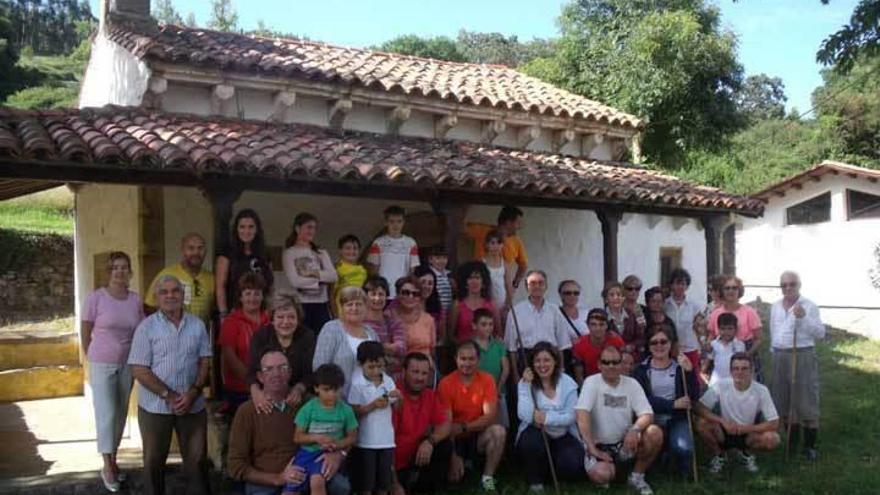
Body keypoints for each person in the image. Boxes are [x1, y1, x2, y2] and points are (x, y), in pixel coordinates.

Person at [128, 275, 212, 495]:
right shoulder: (145, 328)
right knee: (154, 464)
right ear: (156, 297)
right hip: (156, 407)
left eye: (175, 291)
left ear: (183, 295)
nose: (170, 296)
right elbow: (139, 369)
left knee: (197, 463)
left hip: (193, 406)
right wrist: (169, 395)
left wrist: (194, 392)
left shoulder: (197, 325)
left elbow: (205, 360)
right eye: (164, 292)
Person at [227, 350, 350, 495]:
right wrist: (277, 478)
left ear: (290, 373)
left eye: (282, 368)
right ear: (260, 377)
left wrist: (339, 454)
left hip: (309, 471)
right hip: (267, 479)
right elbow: (235, 466)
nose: (277, 373)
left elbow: (347, 431)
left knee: (341, 487)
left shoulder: (312, 403)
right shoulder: (247, 411)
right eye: (269, 369)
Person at [81, 251, 144, 492]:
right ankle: (107, 465)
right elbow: (86, 329)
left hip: (127, 363)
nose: (120, 271)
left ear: (130, 272)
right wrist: (90, 354)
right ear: (109, 272)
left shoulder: (135, 300)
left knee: (119, 414)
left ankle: (114, 459)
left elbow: (140, 330)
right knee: (106, 412)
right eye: (115, 267)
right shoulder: (96, 298)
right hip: (102, 362)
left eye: (124, 267)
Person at [576, 345, 662, 495]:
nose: (611, 366)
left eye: (615, 362)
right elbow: (581, 414)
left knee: (655, 432)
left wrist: (635, 429)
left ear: (621, 364)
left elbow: (647, 414)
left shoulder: (632, 384)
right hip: (600, 446)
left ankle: (636, 476)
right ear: (599, 364)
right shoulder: (591, 382)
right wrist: (591, 447)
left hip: (625, 444)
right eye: (606, 362)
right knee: (602, 475)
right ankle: (615, 473)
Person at [770, 271, 825, 461]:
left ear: (799, 285)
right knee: (785, 402)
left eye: (792, 284)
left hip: (802, 354)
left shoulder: (809, 305)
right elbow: (773, 331)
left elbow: (820, 333)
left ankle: (809, 447)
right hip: (780, 355)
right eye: (783, 285)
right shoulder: (776, 306)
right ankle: (792, 444)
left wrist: (803, 318)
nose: (787, 288)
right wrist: (774, 352)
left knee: (806, 401)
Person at [438, 341, 507, 493]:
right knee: (454, 480)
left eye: (471, 359)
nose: (467, 363)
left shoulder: (487, 380)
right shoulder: (445, 383)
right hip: (454, 438)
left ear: (478, 360)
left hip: (477, 434)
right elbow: (446, 423)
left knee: (498, 432)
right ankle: (460, 464)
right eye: (463, 359)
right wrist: (453, 457)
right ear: (456, 359)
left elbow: (489, 417)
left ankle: (487, 478)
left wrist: (464, 427)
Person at [696, 353, 781, 474]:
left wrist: (747, 428)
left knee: (773, 439)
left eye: (744, 368)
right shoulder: (722, 385)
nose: (739, 372)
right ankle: (719, 455)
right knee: (702, 424)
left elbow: (774, 423)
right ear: (730, 371)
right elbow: (699, 407)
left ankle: (746, 454)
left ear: (752, 371)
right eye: (736, 368)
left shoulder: (761, 390)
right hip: (724, 430)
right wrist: (722, 421)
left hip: (748, 432)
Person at [516, 342, 584, 492]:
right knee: (531, 444)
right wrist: (526, 385)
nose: (542, 365)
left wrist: (547, 418)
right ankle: (536, 478)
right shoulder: (526, 382)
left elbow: (571, 416)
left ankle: (550, 469)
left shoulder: (568, 383)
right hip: (536, 432)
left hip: (562, 434)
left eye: (546, 360)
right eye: (537, 361)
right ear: (532, 364)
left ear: (555, 361)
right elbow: (523, 414)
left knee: (572, 463)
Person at [284, 364, 358, 495]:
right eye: (327, 390)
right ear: (316, 388)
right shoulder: (308, 409)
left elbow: (352, 436)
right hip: (306, 453)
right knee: (290, 489)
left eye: (336, 390)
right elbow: (297, 437)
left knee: (317, 482)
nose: (332, 395)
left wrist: (337, 445)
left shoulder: (346, 410)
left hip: (326, 455)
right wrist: (316, 437)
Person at [633, 328, 698, 477]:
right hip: (651, 419)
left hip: (676, 418)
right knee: (649, 446)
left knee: (684, 448)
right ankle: (659, 458)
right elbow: (642, 399)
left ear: (670, 344)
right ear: (648, 346)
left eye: (663, 341)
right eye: (654, 342)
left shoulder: (679, 367)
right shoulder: (641, 370)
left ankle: (678, 467)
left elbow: (693, 395)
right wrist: (672, 404)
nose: (659, 346)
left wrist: (689, 372)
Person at [391, 352, 453, 495]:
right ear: (403, 372)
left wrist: (430, 441)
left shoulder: (429, 395)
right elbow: (383, 446)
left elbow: (445, 426)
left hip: (416, 460)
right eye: (415, 372)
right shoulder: (394, 396)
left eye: (424, 373)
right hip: (391, 466)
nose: (420, 378)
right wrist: (394, 484)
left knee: (444, 446)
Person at [247, 294, 315, 414]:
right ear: (272, 319)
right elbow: (252, 371)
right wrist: (256, 393)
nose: (286, 322)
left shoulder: (307, 336)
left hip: (298, 394)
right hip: (266, 393)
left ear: (298, 319)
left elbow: (310, 373)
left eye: (291, 317)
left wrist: (299, 389)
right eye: (280, 317)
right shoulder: (261, 336)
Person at [348, 341, 401, 495]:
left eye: (380, 366)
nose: (376, 371)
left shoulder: (388, 381)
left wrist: (399, 397)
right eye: (371, 367)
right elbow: (354, 411)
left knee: (384, 481)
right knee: (367, 483)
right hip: (366, 442)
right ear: (360, 364)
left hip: (386, 440)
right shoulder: (357, 384)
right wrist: (372, 406)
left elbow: (397, 407)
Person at [504, 270, 571, 381]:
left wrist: (561, 369)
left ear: (546, 286)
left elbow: (562, 344)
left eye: (541, 283)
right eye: (533, 283)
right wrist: (515, 375)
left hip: (550, 360)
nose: (537, 286)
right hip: (526, 361)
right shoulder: (515, 312)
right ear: (526, 287)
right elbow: (512, 349)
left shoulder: (555, 311)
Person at [219, 273, 270, 414]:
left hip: (271, 388)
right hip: (240, 390)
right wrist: (254, 384)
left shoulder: (271, 319)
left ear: (263, 296)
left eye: (257, 293)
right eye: (248, 294)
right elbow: (230, 359)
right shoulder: (231, 322)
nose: (252, 298)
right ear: (240, 297)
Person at [313, 287, 379, 395]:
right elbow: (319, 367)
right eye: (349, 304)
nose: (354, 308)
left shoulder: (371, 332)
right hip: (339, 399)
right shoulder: (331, 329)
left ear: (366, 307)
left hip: (370, 398)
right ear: (342, 308)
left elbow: (380, 364)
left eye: (359, 304)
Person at [283, 212, 338, 335]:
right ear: (297, 228)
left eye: (314, 228)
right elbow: (295, 281)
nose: (312, 231)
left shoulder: (321, 252)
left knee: (323, 339)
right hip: (302, 305)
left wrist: (310, 273)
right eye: (309, 227)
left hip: (322, 305)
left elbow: (333, 276)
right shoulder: (289, 253)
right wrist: (320, 281)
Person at [216, 209, 274, 320]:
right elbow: (220, 286)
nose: (246, 231)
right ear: (236, 229)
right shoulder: (227, 253)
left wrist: (270, 309)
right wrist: (223, 314)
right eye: (242, 227)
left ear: (257, 229)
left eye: (251, 227)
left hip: (261, 313)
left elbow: (271, 286)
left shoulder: (265, 254)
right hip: (235, 311)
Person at [145, 233, 214, 324]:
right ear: (182, 250)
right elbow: (149, 306)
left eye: (200, 248)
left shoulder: (211, 279)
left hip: (199, 334)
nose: (196, 253)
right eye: (191, 248)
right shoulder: (166, 275)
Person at [708, 276, 764, 382]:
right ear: (722, 291)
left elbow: (759, 338)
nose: (731, 291)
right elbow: (711, 335)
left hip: (745, 353)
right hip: (721, 355)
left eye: (734, 288)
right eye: (727, 288)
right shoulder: (715, 313)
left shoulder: (749, 312)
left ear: (739, 290)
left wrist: (747, 354)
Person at [467, 206, 528, 290]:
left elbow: (523, 265)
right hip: (480, 287)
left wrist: (514, 285)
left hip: (502, 289)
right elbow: (459, 226)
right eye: (517, 223)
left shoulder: (516, 241)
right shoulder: (482, 231)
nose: (519, 226)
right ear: (508, 222)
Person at [366, 205, 420, 299]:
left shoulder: (411, 243)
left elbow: (412, 271)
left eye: (399, 221)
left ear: (403, 222)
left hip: (402, 293)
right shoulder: (378, 243)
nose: (396, 225)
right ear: (386, 222)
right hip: (383, 292)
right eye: (392, 221)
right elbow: (374, 270)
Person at [362, 276, 406, 380]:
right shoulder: (359, 322)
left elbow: (402, 348)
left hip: (391, 378)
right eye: (373, 294)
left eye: (381, 294)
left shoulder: (392, 321)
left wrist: (378, 348)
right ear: (365, 297)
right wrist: (388, 350)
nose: (377, 298)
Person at [472, 308, 510, 428]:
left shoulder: (498, 345)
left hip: (498, 392)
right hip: (477, 394)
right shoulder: (470, 346)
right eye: (483, 324)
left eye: (490, 324)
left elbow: (505, 369)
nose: (488, 328)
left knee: (500, 426)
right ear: (474, 326)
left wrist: (497, 389)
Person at [448, 261, 500, 343]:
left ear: (483, 281)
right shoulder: (457, 305)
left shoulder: (492, 304)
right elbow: (450, 336)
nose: (474, 282)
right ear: (464, 282)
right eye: (470, 278)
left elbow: (498, 333)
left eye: (477, 278)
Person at [391, 276, 437, 368]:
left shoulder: (428, 319)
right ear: (398, 294)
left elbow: (432, 350)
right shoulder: (388, 317)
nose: (410, 296)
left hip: (425, 370)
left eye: (415, 294)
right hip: (399, 369)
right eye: (406, 293)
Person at [663, 268, 703, 372]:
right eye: (677, 283)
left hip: (690, 348)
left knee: (691, 380)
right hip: (670, 349)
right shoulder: (665, 305)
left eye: (683, 284)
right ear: (671, 285)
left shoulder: (694, 306)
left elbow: (698, 328)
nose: (680, 287)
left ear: (687, 286)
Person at [571, 309, 625, 384]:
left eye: (601, 324)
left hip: (614, 382)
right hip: (590, 384)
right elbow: (579, 375)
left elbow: (623, 368)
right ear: (587, 325)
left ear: (607, 325)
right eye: (593, 324)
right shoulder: (579, 345)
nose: (597, 328)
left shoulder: (616, 341)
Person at [604, 281, 646, 362]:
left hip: (629, 360)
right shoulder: (602, 316)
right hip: (609, 359)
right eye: (612, 295)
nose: (616, 298)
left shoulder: (632, 315)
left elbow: (641, 337)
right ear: (606, 299)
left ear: (623, 298)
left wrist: (632, 346)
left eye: (619, 295)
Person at [703, 313, 746, 386]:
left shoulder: (739, 345)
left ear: (736, 329)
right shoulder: (714, 344)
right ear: (718, 329)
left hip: (733, 381)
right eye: (723, 329)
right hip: (716, 381)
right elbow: (709, 359)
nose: (726, 332)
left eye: (730, 329)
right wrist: (703, 371)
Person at [333, 234, 368, 316]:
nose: (352, 251)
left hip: (359, 308)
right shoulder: (336, 269)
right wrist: (335, 313)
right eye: (348, 248)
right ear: (340, 250)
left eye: (355, 248)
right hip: (342, 309)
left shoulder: (363, 270)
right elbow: (332, 294)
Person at [481, 230, 513, 313]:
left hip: (502, 305)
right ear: (487, 244)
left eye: (499, 243)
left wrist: (507, 305)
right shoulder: (482, 264)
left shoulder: (505, 264)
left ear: (502, 245)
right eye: (492, 243)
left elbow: (508, 286)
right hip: (486, 305)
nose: (496, 246)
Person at [414, 264, 445, 334]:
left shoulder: (438, 306)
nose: (426, 286)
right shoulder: (405, 301)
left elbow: (441, 335)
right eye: (423, 282)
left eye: (430, 283)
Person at [426, 245, 454, 314]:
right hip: (435, 310)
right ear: (430, 259)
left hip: (448, 310)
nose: (441, 261)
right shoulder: (430, 275)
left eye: (444, 258)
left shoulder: (449, 274)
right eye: (438, 258)